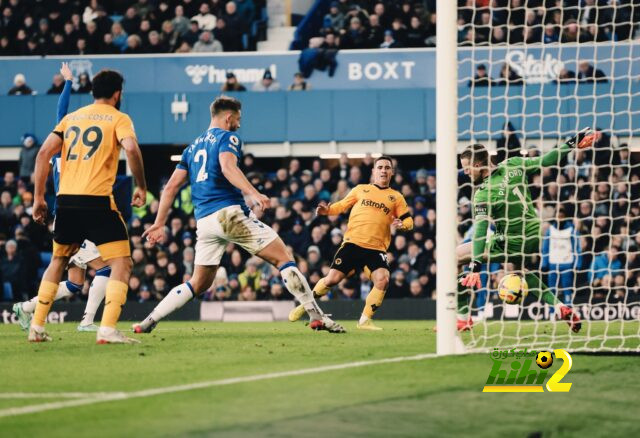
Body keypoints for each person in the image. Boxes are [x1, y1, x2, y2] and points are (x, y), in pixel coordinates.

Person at [133, 96, 344, 334]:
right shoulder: (228, 137)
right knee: (284, 258)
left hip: (204, 222)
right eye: (238, 119)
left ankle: (148, 321)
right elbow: (227, 166)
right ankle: (317, 316)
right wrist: (254, 193)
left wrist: (159, 223)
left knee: (199, 282)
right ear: (229, 117)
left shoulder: (191, 148)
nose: (239, 125)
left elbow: (170, 187)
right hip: (228, 214)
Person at [28, 68, 147, 344]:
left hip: (65, 202)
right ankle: (106, 328)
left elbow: (44, 153)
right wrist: (141, 186)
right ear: (118, 94)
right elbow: (130, 149)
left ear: (93, 92)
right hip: (97, 201)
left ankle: (37, 326)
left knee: (58, 260)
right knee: (122, 262)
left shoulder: (71, 118)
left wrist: (38, 198)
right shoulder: (119, 118)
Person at [456, 129, 596, 333]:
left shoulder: (484, 193)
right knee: (522, 271)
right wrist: (571, 143)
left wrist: (475, 265)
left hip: (510, 239)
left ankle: (462, 318)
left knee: (454, 257)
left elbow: (480, 230)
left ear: (478, 165)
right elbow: (547, 160)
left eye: (467, 169)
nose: (466, 173)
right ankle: (560, 306)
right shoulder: (513, 164)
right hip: (533, 233)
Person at [13, 63, 114, 334]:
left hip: (65, 215)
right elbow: (62, 115)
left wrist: (68, 83)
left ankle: (26, 308)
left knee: (73, 284)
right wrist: (67, 84)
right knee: (107, 267)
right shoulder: (69, 153)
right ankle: (87, 321)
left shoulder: (61, 149)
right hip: (77, 213)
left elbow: (61, 115)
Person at [288, 156, 413, 331]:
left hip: (376, 248)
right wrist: (327, 211)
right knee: (332, 280)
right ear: (373, 171)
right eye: (380, 167)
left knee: (383, 279)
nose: (383, 170)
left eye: (387, 168)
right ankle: (305, 305)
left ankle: (364, 321)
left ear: (391, 172)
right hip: (353, 243)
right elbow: (341, 205)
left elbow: (409, 221)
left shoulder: (396, 197)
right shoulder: (360, 189)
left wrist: (403, 225)